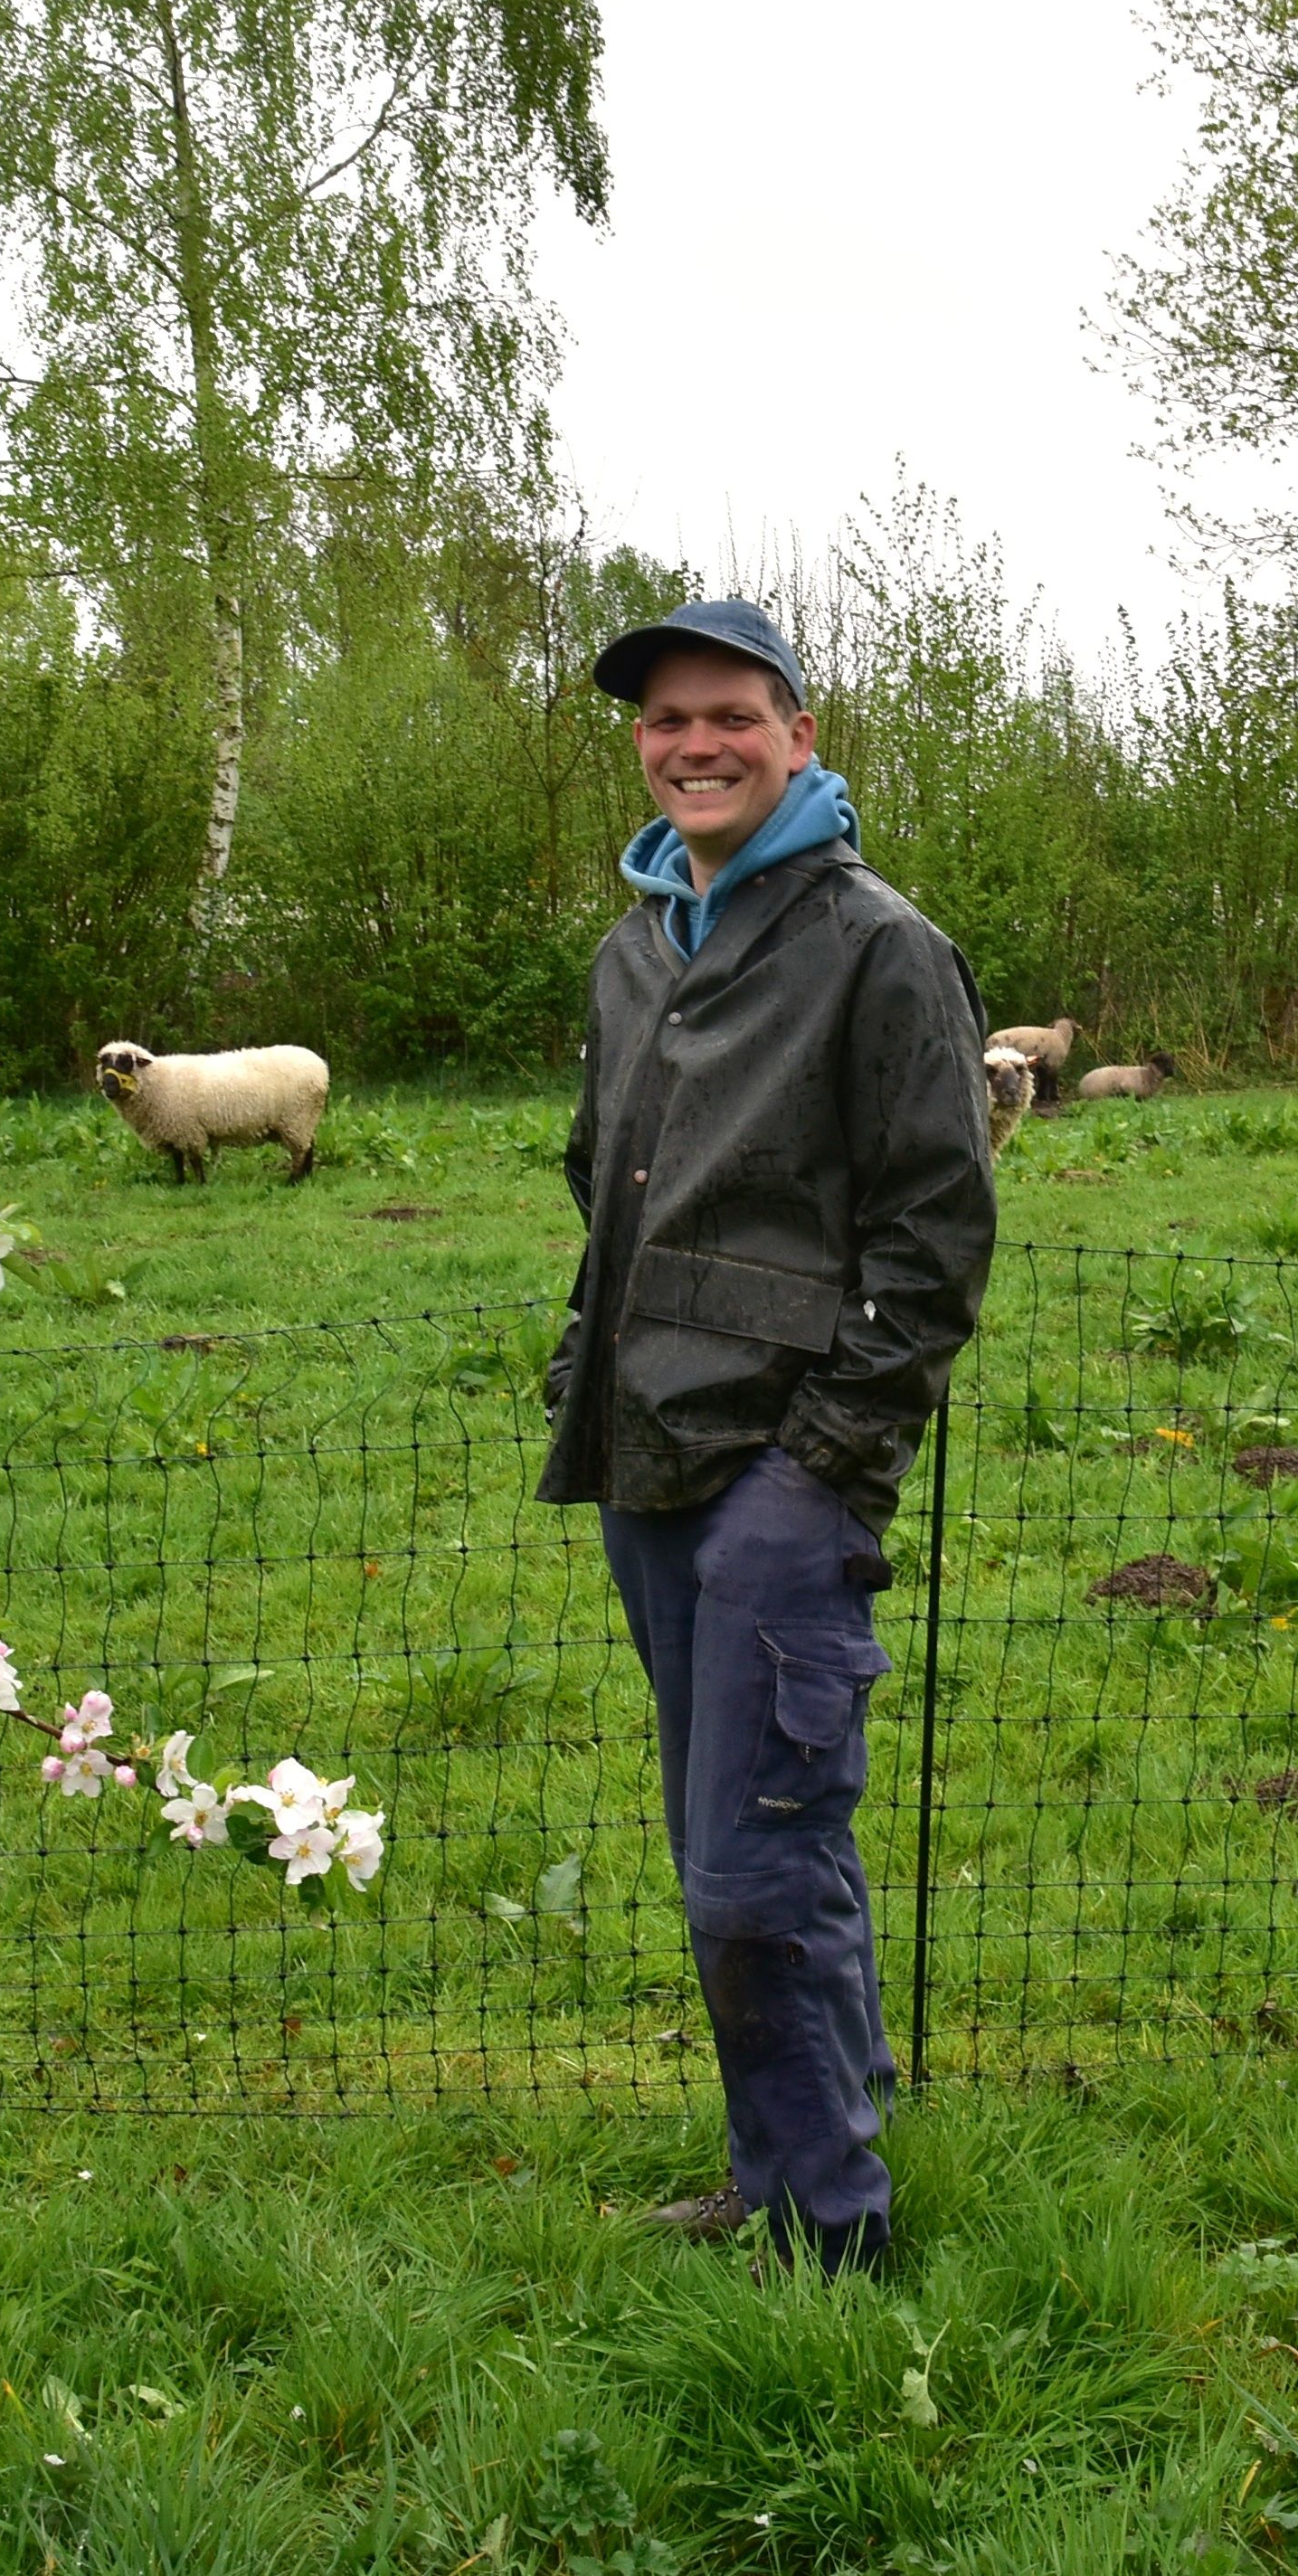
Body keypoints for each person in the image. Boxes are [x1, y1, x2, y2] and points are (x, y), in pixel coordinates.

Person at [537, 596, 998, 2274]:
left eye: (730, 714)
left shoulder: (878, 946)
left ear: (799, 734)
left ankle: (835, 2230)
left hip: (783, 1480)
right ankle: (790, 2156)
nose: (694, 746)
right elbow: (605, 1179)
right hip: (643, 1457)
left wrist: (824, 1462)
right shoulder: (637, 945)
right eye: (664, 722)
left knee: (753, 1867)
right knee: (732, 1839)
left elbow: (936, 1239)